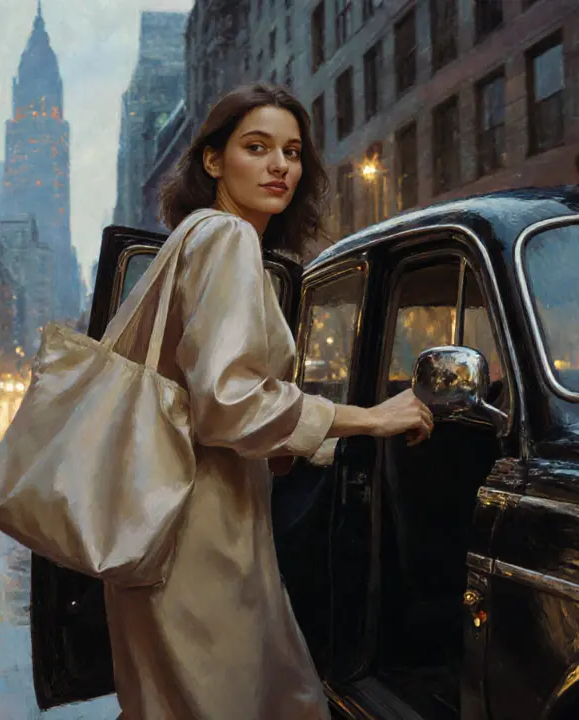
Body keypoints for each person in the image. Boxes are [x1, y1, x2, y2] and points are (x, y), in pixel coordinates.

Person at [104, 83, 434, 720]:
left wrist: (305, 445)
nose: (279, 165)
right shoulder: (227, 238)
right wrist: (371, 417)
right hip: (199, 542)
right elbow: (229, 404)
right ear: (213, 159)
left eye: (292, 151)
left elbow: (208, 401)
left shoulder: (196, 237)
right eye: (256, 148)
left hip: (163, 533)